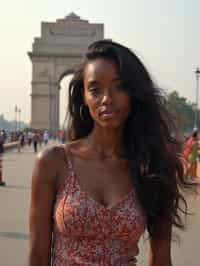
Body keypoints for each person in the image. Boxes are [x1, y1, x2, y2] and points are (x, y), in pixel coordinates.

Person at [28, 40, 197, 266]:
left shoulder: (153, 166)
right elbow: (37, 258)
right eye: (95, 89)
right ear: (84, 98)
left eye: (119, 86)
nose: (107, 98)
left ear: (134, 93)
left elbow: (161, 260)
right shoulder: (53, 163)